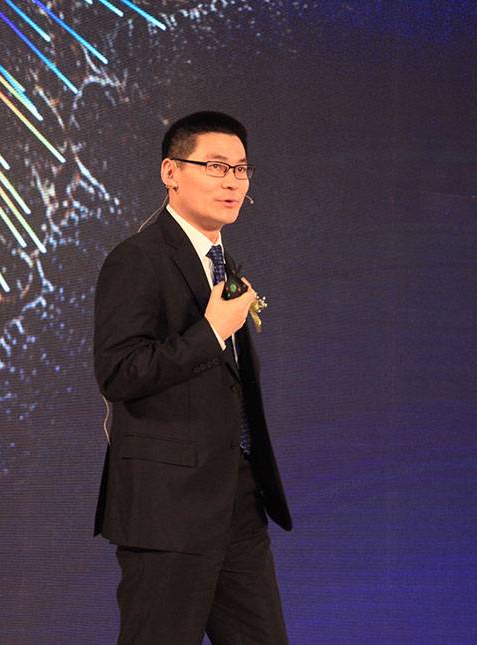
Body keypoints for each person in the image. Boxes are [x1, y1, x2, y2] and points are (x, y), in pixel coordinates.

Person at [93, 111, 293, 644]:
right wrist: (211, 332)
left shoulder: (224, 263)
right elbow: (119, 372)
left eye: (241, 170)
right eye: (216, 166)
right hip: (168, 509)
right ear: (171, 172)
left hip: (237, 503)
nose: (232, 182)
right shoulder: (137, 259)